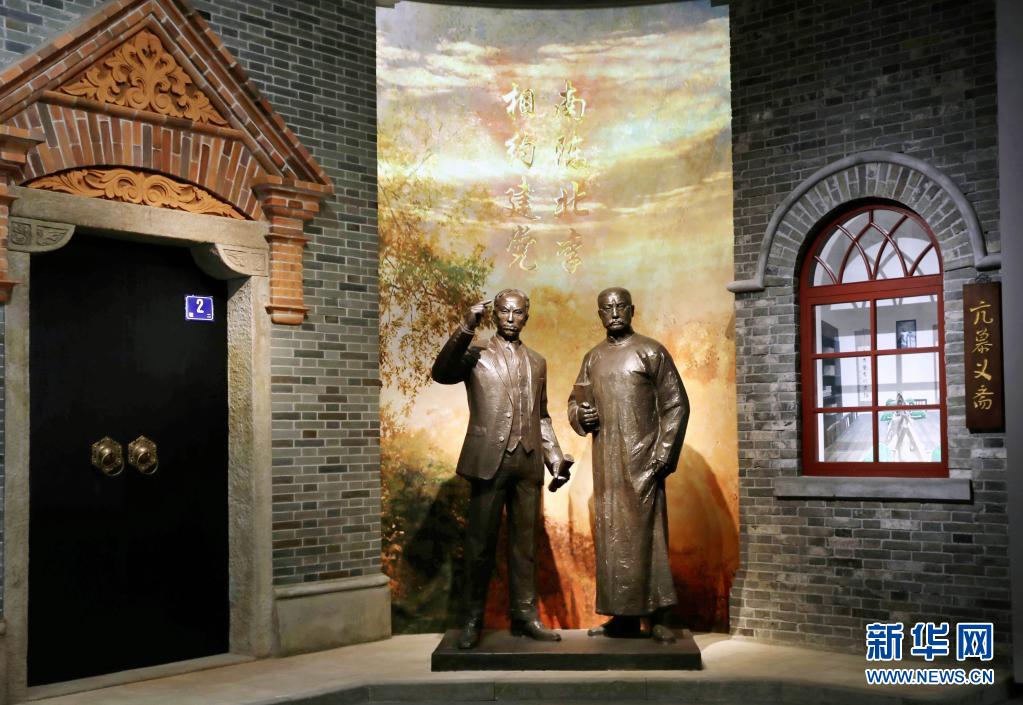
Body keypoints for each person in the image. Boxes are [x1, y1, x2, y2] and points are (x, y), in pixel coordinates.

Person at [432, 289, 566, 649]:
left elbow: (542, 416)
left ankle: (525, 616)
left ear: (526, 317)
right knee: (479, 546)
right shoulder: (475, 354)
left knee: (525, 546)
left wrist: (554, 458)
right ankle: (472, 619)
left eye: (517, 312)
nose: (510, 317)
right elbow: (441, 373)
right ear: (494, 315)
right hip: (489, 460)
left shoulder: (537, 362)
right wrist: (465, 328)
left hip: (527, 462)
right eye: (504, 311)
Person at [568, 287, 689, 643]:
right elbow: (576, 401)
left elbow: (676, 404)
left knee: (650, 536)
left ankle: (660, 616)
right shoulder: (593, 358)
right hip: (607, 464)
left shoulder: (651, 351)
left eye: (620, 306)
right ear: (599, 314)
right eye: (607, 308)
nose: (614, 313)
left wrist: (663, 453)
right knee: (613, 540)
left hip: (644, 461)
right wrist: (581, 416)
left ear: (632, 310)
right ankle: (622, 617)